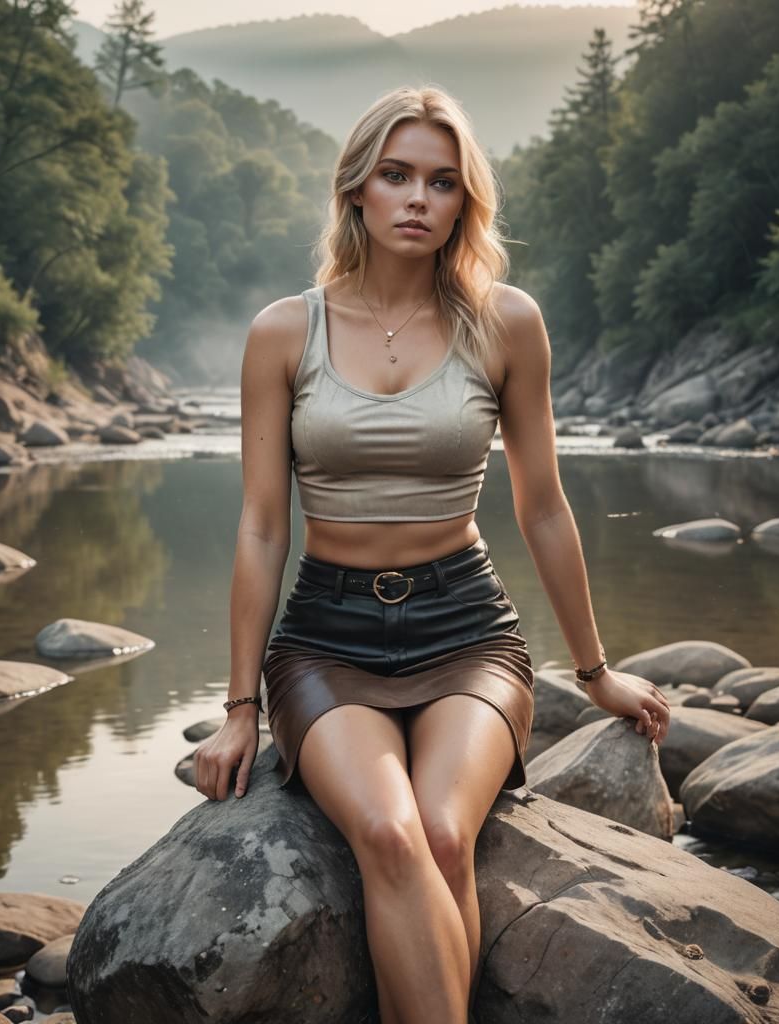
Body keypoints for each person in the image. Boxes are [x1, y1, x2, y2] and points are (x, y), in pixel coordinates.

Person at [194, 84, 671, 1024]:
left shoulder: (506, 322)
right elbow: (260, 526)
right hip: (327, 639)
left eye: (443, 182)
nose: (418, 198)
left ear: (465, 202)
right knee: (387, 830)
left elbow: (542, 508)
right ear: (357, 191)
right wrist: (239, 708)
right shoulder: (284, 332)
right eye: (397, 175)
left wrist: (596, 672)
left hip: (468, 629)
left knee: (449, 835)